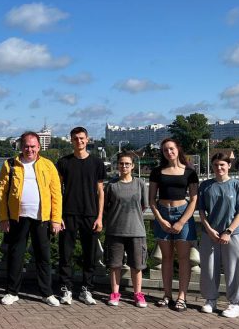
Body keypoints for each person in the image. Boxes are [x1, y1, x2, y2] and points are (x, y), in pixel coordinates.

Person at [0, 131, 62, 306]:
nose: (29, 150)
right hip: (17, 217)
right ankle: (12, 292)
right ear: (21, 146)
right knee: (15, 255)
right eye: (26, 146)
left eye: (33, 146)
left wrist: (56, 219)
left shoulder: (48, 165)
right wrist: (3, 217)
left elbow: (56, 194)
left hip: (41, 218)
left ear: (39, 147)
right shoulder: (10, 164)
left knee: (43, 256)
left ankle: (47, 293)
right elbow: (1, 193)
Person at [56, 126, 106, 306]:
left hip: (90, 214)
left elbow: (100, 192)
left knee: (89, 255)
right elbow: (57, 191)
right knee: (65, 254)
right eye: (75, 138)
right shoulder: (63, 162)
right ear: (71, 140)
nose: (79, 141)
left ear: (87, 139)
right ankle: (66, 289)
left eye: (82, 138)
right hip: (68, 214)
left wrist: (100, 217)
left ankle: (87, 289)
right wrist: (58, 215)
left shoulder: (97, 163)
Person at [198, 152, 239, 318]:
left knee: (236, 269)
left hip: (233, 234)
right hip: (210, 234)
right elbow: (201, 211)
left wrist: (229, 231)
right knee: (208, 268)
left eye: (222, 164)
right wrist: (209, 229)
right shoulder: (205, 186)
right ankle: (210, 300)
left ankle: (235, 304)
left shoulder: (237, 185)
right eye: (215, 165)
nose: (219, 168)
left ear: (229, 165)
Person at [149, 137, 199, 311]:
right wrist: (160, 219)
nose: (169, 152)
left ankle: (182, 297)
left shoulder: (190, 172)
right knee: (166, 257)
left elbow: (194, 200)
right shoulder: (157, 172)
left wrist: (181, 222)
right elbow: (151, 200)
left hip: (182, 214)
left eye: (171, 148)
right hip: (163, 213)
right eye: (165, 150)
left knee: (184, 258)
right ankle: (167, 295)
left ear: (178, 149)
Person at [103, 151, 149, 308]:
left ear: (133, 166)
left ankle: (138, 294)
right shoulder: (111, 185)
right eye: (121, 163)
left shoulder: (140, 184)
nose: (124, 166)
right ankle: (115, 293)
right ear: (117, 165)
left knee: (137, 265)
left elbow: (143, 206)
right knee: (114, 264)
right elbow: (106, 207)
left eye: (127, 164)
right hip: (115, 230)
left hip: (136, 230)